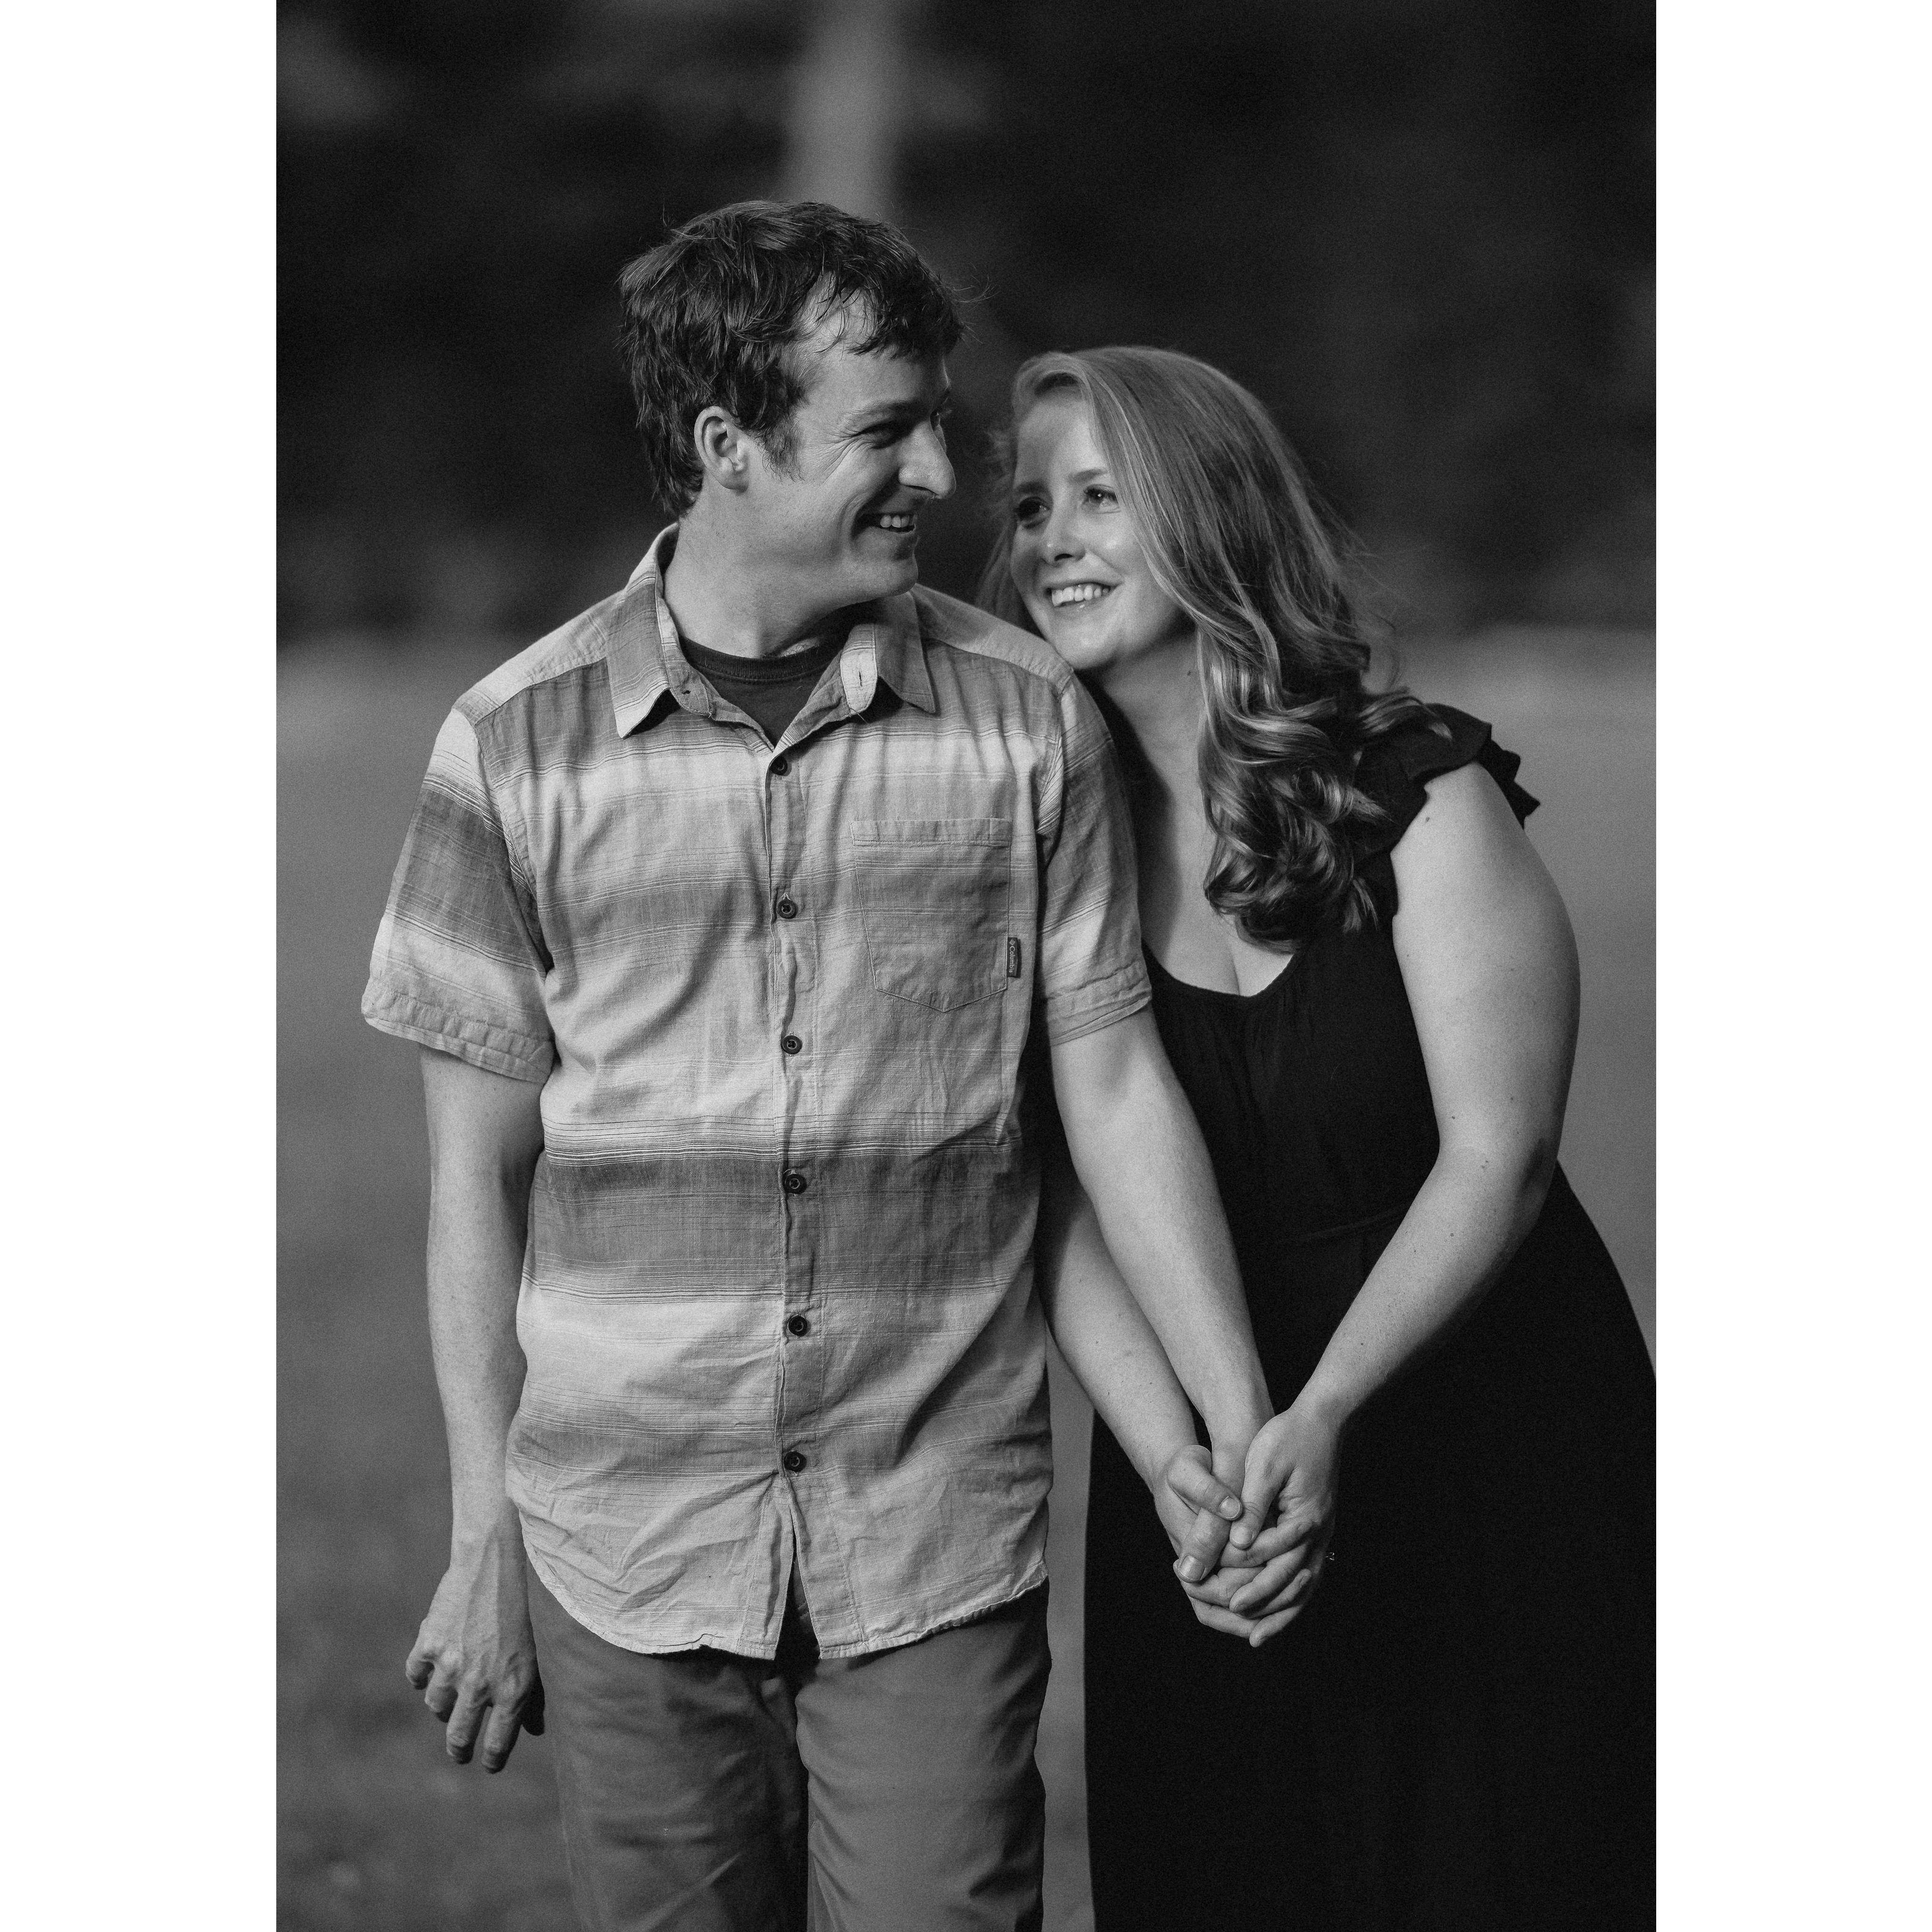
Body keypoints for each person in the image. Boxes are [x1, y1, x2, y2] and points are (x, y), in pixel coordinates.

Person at [362, 206, 1277, 1932]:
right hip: (624, 1538)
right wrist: (485, 1538)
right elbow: (473, 1176)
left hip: (932, 1528)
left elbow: (1109, 1090)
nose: (936, 470)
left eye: (935, 422)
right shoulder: (509, 745)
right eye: (884, 431)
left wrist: (1235, 1425)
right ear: (729, 444)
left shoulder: (1026, 719)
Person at [980, 347, 1656, 1931]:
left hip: (1477, 1424)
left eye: (1099, 497)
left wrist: (1328, 1409)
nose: (1051, 540)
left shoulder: (1414, 790)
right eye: (1027, 508)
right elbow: (1053, 1197)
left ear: (1209, 515)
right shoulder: (1028, 834)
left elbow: (1499, 1156)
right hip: (1206, 1476)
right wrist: (1182, 1469)